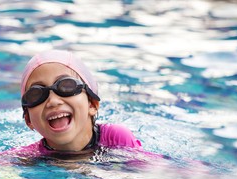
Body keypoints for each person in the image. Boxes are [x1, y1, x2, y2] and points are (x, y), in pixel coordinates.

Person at [10, 49, 142, 158]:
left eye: (66, 86)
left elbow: (149, 173)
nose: (53, 101)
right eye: (36, 94)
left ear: (92, 104)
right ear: (28, 120)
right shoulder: (28, 158)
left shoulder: (116, 139)